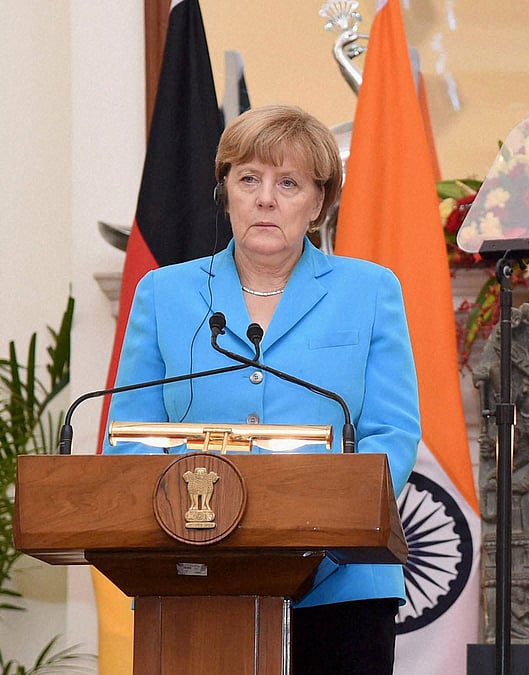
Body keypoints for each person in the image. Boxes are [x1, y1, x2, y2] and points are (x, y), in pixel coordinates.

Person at [105, 104, 420, 674]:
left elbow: (391, 433)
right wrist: (189, 527)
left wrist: (326, 529)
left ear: (319, 201)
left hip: (342, 581)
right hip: (194, 573)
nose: (266, 199)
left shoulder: (369, 290)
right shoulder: (165, 292)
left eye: (289, 182)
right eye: (249, 178)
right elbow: (131, 435)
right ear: (225, 190)